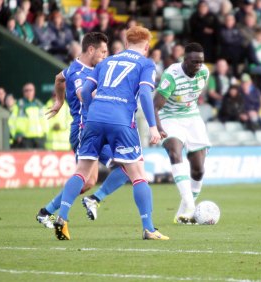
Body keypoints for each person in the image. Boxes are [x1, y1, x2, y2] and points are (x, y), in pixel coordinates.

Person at [52, 26, 169, 240]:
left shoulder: (106, 61)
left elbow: (86, 91)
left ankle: (63, 218)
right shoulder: (145, 63)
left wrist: (91, 112)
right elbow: (144, 92)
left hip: (94, 119)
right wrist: (153, 126)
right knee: (138, 175)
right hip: (121, 121)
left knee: (82, 171)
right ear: (146, 46)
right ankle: (149, 228)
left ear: (125, 44)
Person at [36, 32, 128, 229]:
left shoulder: (76, 68)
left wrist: (60, 101)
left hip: (98, 128)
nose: (105, 55)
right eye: (103, 52)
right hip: (83, 130)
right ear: (91, 49)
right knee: (88, 178)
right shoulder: (79, 73)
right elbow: (82, 94)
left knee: (112, 173)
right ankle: (50, 213)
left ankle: (57, 209)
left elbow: (59, 78)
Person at [153, 42, 210, 224]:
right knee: (175, 152)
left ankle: (181, 213)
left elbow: (192, 98)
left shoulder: (204, 73)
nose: (198, 66)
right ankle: (190, 205)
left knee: (199, 169)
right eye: (194, 62)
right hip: (169, 117)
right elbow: (155, 106)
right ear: (185, 60)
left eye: (200, 62)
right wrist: (159, 128)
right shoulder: (172, 75)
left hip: (192, 117)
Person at [10, 83, 47, 148]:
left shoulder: (39, 105)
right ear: (23, 92)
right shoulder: (18, 105)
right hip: (24, 139)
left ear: (34, 91)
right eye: (26, 90)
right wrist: (16, 135)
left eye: (30, 90)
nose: (28, 92)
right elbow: (11, 122)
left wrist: (45, 133)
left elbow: (45, 120)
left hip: (39, 138)